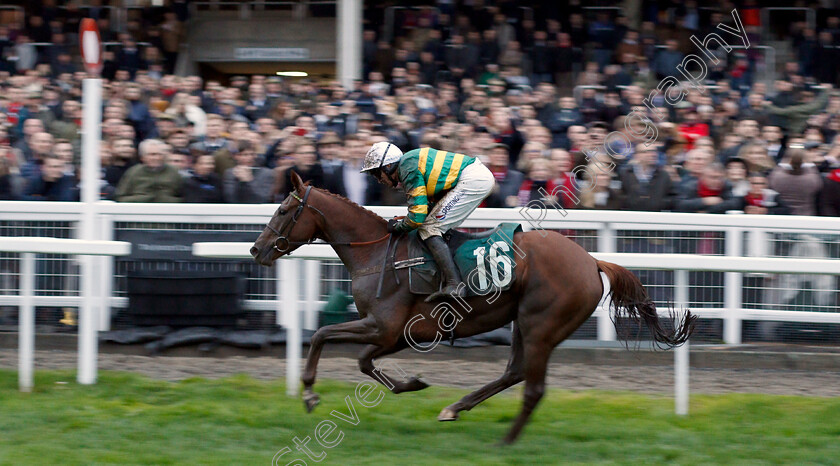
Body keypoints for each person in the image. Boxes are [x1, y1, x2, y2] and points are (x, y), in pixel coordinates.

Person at [360, 141, 495, 301]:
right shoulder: (408, 164)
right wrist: (406, 222)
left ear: (388, 167)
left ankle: (454, 284)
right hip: (473, 176)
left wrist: (398, 227)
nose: (378, 180)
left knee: (430, 229)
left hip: (473, 179)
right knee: (432, 224)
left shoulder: (407, 168)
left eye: (377, 173)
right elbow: (423, 209)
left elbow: (417, 217)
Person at [115, 139, 183, 202]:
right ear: (142, 157)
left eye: (160, 154)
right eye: (152, 154)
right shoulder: (133, 172)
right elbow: (120, 197)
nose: (156, 158)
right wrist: (144, 198)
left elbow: (184, 198)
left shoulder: (174, 172)